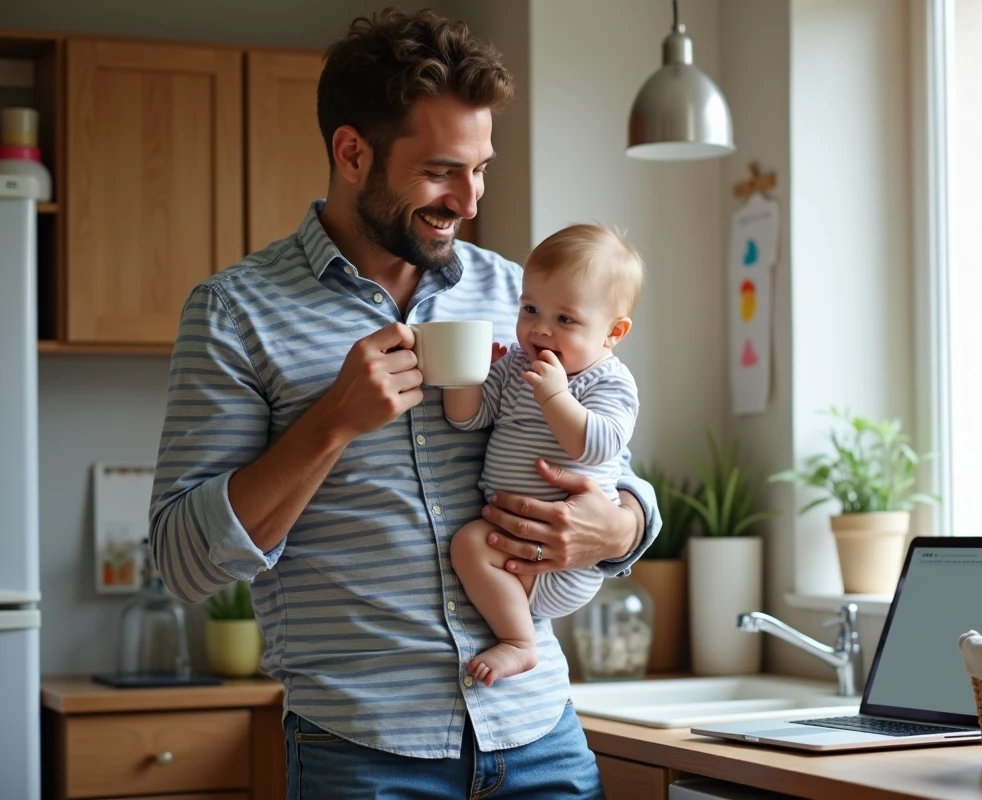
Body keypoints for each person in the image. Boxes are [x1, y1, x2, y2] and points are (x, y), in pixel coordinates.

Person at [147, 8, 660, 799]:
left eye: (481, 168)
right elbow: (183, 562)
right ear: (353, 153)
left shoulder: (520, 297)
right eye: (442, 172)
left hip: (538, 733)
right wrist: (331, 423)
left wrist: (618, 524)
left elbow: (613, 462)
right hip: (363, 751)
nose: (470, 198)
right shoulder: (234, 311)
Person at [444, 224, 644, 686]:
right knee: (470, 545)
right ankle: (517, 637)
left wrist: (556, 397)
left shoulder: (608, 381)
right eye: (530, 309)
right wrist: (467, 377)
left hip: (567, 559)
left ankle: (519, 642)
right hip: (509, 542)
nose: (540, 328)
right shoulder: (516, 364)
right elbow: (468, 419)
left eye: (565, 320)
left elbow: (597, 444)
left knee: (470, 546)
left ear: (613, 332)